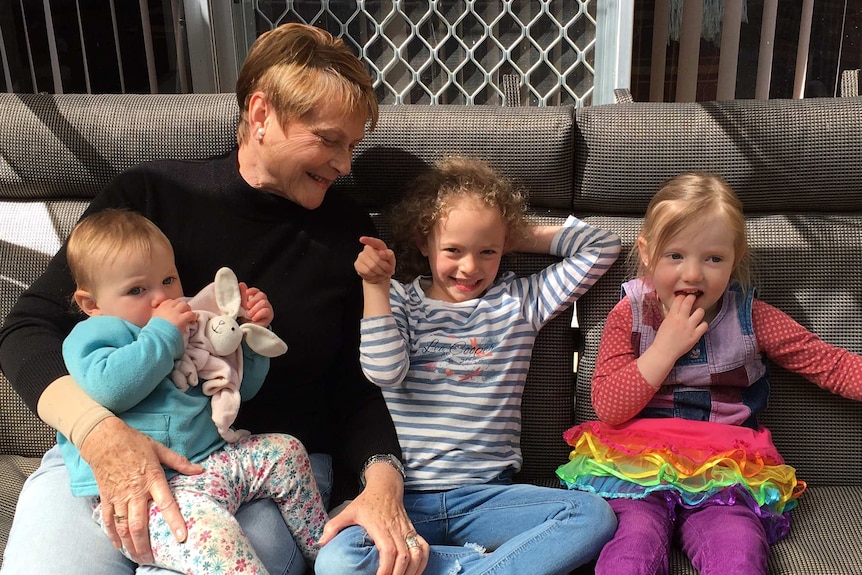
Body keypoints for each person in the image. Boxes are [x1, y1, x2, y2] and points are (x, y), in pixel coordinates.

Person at [0, 23, 427, 575]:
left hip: (257, 473)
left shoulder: (344, 234)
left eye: (353, 145)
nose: (345, 165)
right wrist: (99, 433)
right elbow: (28, 329)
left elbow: (359, 385)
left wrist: (382, 482)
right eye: (328, 139)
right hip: (99, 456)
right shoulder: (150, 197)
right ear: (260, 114)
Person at [315, 157, 622, 574]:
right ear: (424, 243)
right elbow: (383, 372)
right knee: (337, 562)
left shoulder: (521, 302)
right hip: (404, 499)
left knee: (592, 516)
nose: (470, 268)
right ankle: (483, 565)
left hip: (487, 497)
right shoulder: (402, 300)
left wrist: (506, 231)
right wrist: (375, 287)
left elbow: (602, 245)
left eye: (487, 252)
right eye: (453, 249)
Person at [556, 172, 862, 575]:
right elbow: (609, 407)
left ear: (735, 259)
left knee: (737, 554)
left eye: (713, 258)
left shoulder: (752, 317)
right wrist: (665, 347)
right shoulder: (629, 313)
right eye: (675, 256)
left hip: (726, 471)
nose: (694, 274)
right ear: (647, 254)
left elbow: (829, 364)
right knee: (631, 549)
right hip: (634, 466)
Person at [60, 209, 326, 573]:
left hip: (212, 462)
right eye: (137, 290)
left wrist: (247, 342)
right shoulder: (95, 335)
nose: (161, 298)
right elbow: (110, 389)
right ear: (92, 304)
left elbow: (240, 390)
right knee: (219, 542)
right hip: (150, 493)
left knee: (288, 452)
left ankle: (322, 548)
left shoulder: (190, 327)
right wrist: (162, 335)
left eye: (168, 280)